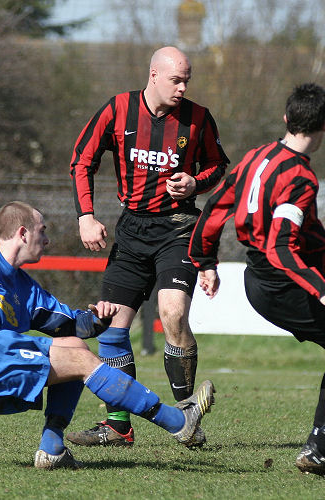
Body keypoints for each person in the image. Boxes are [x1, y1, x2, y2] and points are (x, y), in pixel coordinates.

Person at [0, 201, 215, 470]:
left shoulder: (27, 290)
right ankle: (176, 421)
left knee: (74, 346)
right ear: (22, 233)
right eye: (43, 230)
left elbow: (72, 327)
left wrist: (99, 319)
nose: (47, 240)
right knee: (80, 359)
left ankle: (52, 447)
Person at [188, 83, 325, 477]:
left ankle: (320, 445)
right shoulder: (299, 178)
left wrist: (204, 260)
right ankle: (324, 448)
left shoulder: (258, 156)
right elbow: (280, 248)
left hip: (258, 280)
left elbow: (215, 206)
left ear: (286, 117)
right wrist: (323, 289)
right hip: (283, 284)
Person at [68, 46, 228, 448]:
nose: (183, 87)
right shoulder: (118, 109)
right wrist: (85, 215)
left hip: (179, 228)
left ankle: (187, 410)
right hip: (132, 230)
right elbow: (82, 160)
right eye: (176, 79)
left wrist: (195, 182)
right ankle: (118, 426)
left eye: (187, 80)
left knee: (172, 313)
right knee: (111, 326)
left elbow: (218, 166)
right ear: (153, 75)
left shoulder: (198, 118)